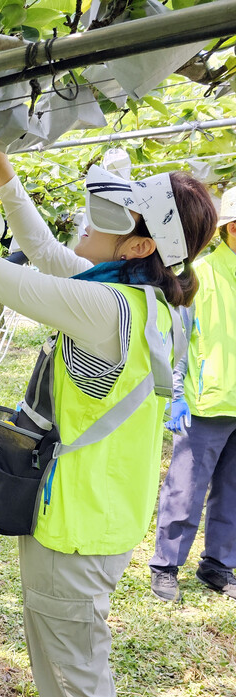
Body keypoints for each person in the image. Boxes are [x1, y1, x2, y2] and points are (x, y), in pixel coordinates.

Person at [0, 115, 216, 697]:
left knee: (82, 686)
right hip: (105, 516)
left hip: (75, 523)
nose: (88, 220)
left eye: (109, 215)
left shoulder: (103, 307)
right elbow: (43, 248)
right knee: (62, 661)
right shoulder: (142, 302)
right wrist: (0, 163)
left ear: (140, 244)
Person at [150, 185, 236, 602]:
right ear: (233, 228)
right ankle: (166, 565)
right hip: (204, 403)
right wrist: (176, 392)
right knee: (185, 488)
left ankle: (218, 564)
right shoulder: (200, 274)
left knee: (233, 492)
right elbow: (176, 338)